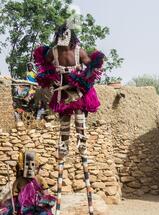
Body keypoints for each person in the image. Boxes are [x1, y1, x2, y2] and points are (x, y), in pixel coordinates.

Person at [33, 22, 105, 159]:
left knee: (79, 115)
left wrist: (85, 75)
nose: (62, 38)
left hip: (77, 91)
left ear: (70, 36)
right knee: (64, 118)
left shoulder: (79, 51)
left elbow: (92, 67)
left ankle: (82, 142)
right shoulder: (53, 52)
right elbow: (44, 64)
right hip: (62, 91)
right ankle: (64, 146)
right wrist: (50, 75)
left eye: (65, 34)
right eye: (60, 35)